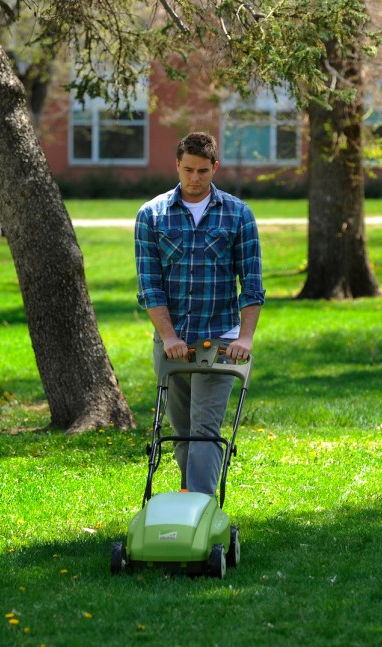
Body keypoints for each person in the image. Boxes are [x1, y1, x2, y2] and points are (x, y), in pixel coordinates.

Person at [134, 131, 265, 496]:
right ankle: (186, 502)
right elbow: (149, 286)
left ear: (215, 168)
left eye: (203, 171)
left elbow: (251, 283)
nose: (194, 178)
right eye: (188, 169)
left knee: (205, 430)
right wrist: (170, 336)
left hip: (221, 339)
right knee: (180, 433)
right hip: (172, 341)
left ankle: (201, 512)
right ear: (176, 164)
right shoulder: (152, 215)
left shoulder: (238, 214)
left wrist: (245, 338)